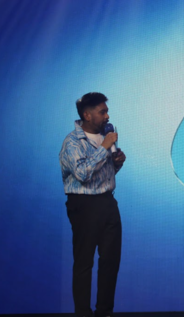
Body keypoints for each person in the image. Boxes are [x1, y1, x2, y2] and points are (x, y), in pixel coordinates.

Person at [59, 92, 126, 317]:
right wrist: (104, 147)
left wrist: (117, 162)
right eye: (102, 112)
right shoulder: (72, 141)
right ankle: (83, 313)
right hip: (83, 204)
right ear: (87, 115)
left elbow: (104, 173)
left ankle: (105, 312)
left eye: (107, 111)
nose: (107, 116)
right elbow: (82, 174)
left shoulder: (107, 137)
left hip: (107, 201)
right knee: (84, 262)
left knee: (111, 260)